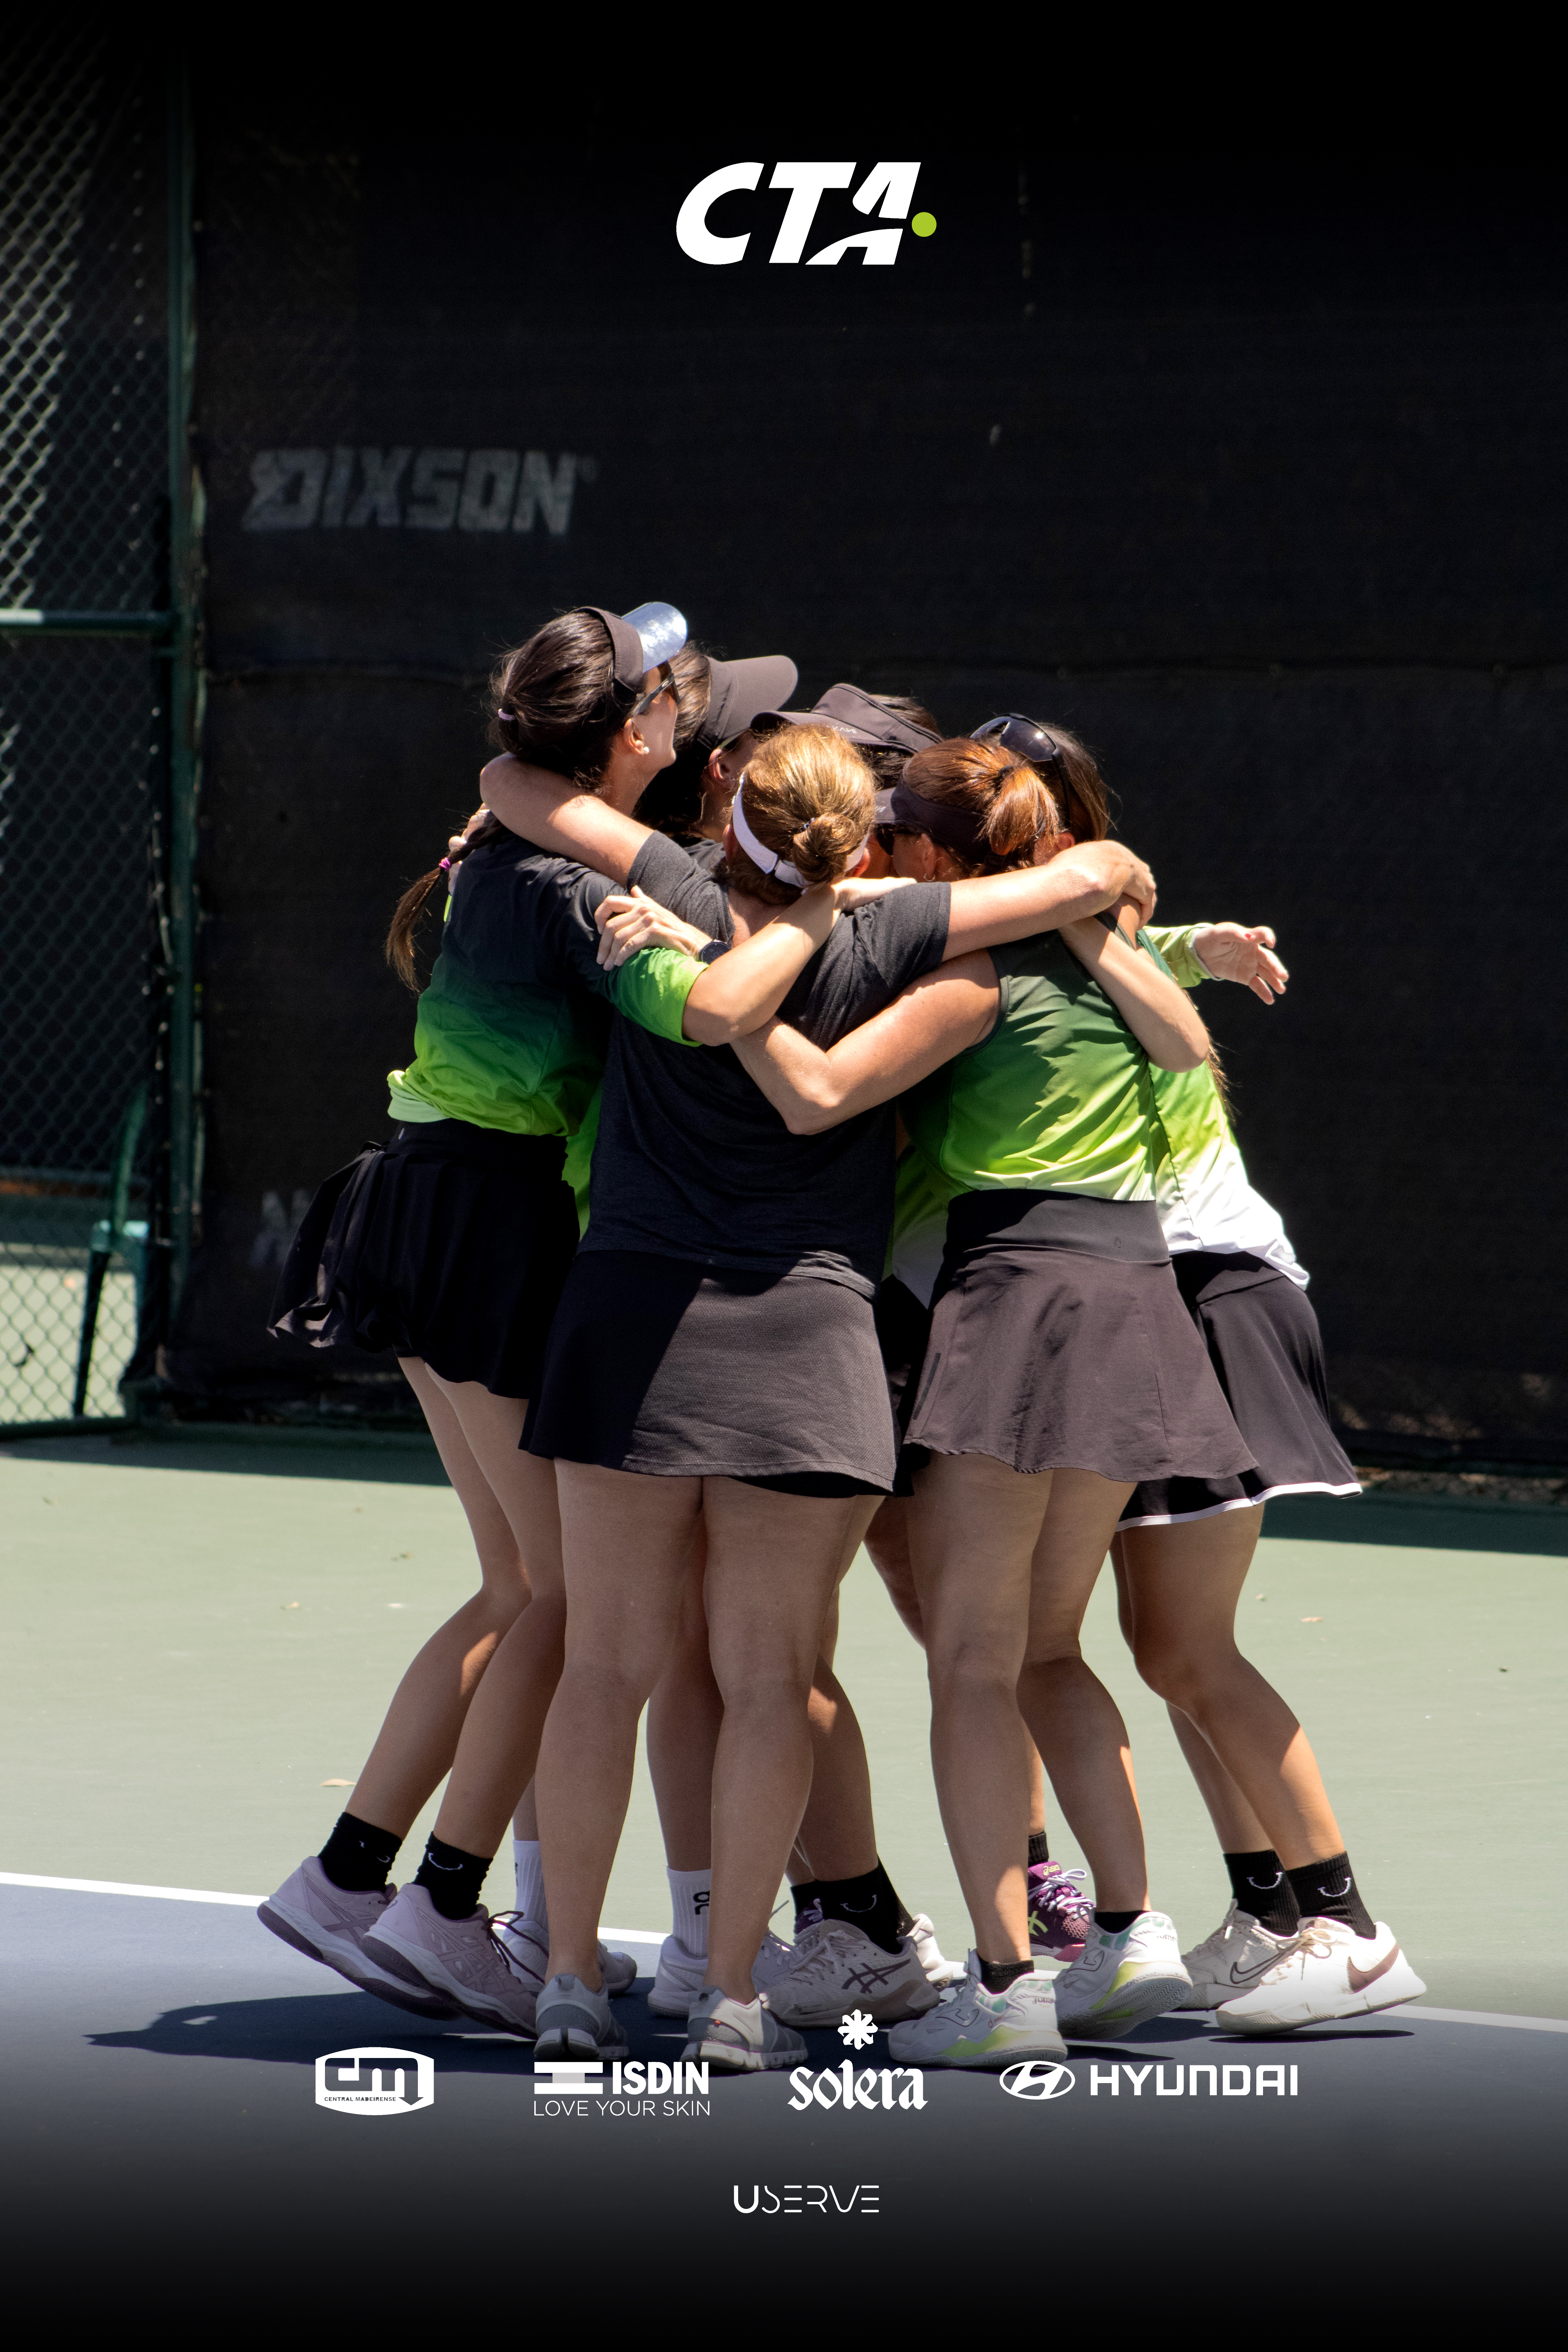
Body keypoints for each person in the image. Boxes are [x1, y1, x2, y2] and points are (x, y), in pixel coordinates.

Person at [477, 724, 1160, 2070]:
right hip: (809, 1351)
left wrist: (778, 910)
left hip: (629, 1332)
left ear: (728, 802)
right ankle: (730, 2000)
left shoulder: (663, 889)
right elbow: (1091, 877)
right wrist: (851, 900)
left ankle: (565, 1978)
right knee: (770, 1681)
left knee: (606, 1666)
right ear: (860, 838)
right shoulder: (914, 933)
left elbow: (510, 783)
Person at [256, 603, 837, 2025]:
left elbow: (535, 802)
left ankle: (349, 1879)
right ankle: (443, 1902)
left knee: (524, 1585)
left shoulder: (510, 837)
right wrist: (843, 905)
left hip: (417, 1199)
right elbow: (713, 1006)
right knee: (566, 1599)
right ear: (635, 733)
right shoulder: (586, 893)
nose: (709, 732)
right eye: (686, 711)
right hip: (495, 1225)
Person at [731, 736, 1256, 2063]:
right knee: (1046, 1652)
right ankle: (1131, 1932)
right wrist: (1111, 916)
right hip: (1136, 1306)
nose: (879, 851)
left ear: (945, 857)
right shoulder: (1104, 959)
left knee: (973, 1664)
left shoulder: (961, 972)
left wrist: (731, 997)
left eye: (898, 830)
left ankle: (1010, 1989)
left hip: (1019, 1301)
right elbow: (1191, 1048)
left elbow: (836, 1072)